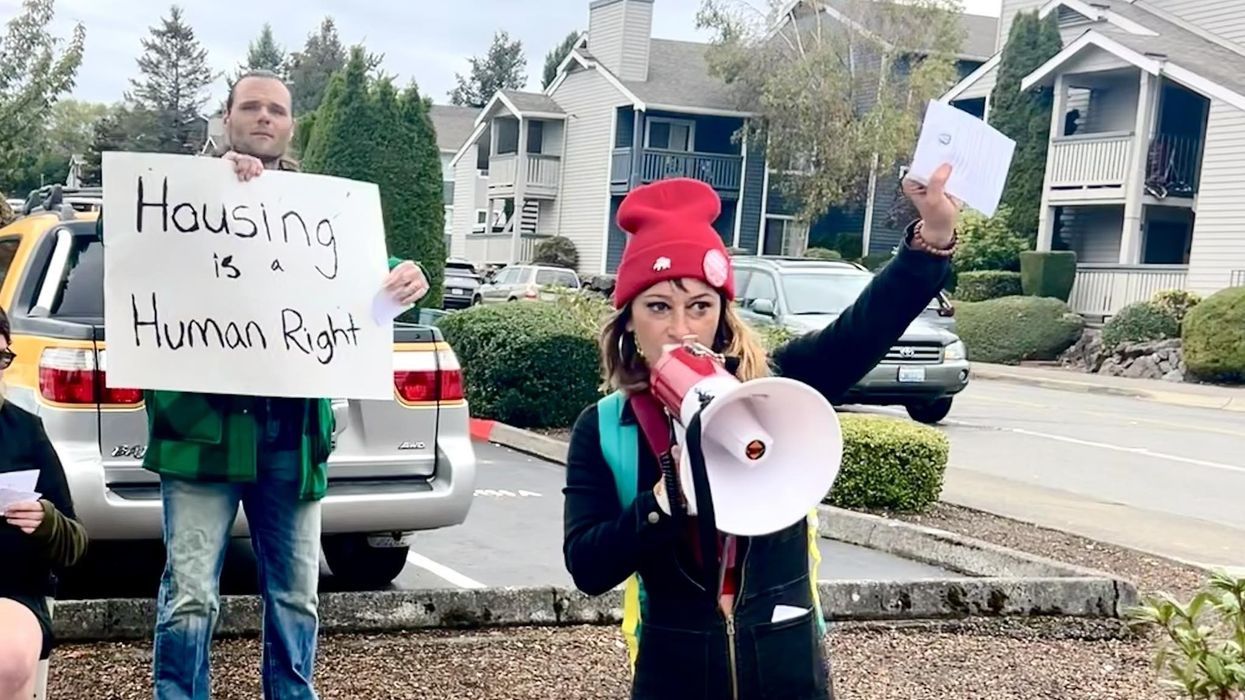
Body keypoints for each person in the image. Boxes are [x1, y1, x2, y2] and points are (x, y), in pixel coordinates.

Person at [562, 166, 962, 699]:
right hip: (674, 678)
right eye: (658, 306)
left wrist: (931, 239)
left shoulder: (777, 392)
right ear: (630, 319)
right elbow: (587, 566)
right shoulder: (608, 427)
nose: (681, 328)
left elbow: (865, 328)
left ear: (722, 315)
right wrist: (661, 503)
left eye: (699, 306)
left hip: (789, 671)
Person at [145, 70, 431, 700]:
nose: (264, 117)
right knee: (190, 597)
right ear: (226, 117)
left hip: (290, 439)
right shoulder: (178, 196)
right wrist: (217, 183)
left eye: (277, 109)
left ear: (292, 123)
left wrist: (403, 277)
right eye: (250, 107)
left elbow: (362, 274)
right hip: (200, 434)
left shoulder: (324, 209)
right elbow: (130, 247)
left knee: (297, 596)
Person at [0, 305, 89, 700]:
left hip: (11, 592)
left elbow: (76, 541)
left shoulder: (24, 430)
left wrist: (48, 521)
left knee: (8, 657)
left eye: (1, 358)